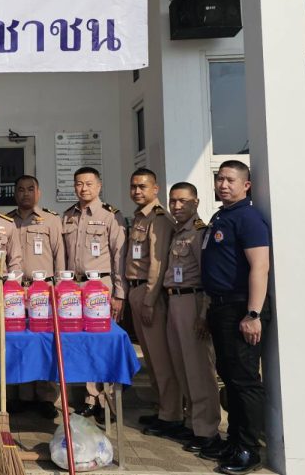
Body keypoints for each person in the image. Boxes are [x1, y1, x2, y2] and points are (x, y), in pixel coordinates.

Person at [198, 160, 271, 475]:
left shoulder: (248, 218)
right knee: (229, 376)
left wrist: (253, 313)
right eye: (219, 179)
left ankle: (249, 449)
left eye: (230, 180)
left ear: (246, 185)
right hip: (220, 307)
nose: (223, 185)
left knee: (244, 381)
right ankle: (234, 441)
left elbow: (260, 266)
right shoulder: (221, 216)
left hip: (241, 307)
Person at [62, 166, 126, 422]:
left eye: (89, 183)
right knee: (83, 343)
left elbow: (120, 256)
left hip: (100, 287)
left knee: (102, 343)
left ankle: (106, 400)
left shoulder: (111, 216)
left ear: (99, 186)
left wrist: (119, 293)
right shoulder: (68, 216)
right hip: (74, 288)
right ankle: (90, 397)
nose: (84, 188)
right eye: (79, 184)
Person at [163, 182, 222, 455]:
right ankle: (192, 423)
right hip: (174, 301)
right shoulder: (178, 232)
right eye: (173, 201)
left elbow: (208, 278)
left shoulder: (199, 233)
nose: (176, 206)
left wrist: (203, 314)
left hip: (192, 301)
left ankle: (207, 430)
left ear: (196, 202)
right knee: (182, 366)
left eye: (183, 201)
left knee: (199, 370)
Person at [125, 168, 185, 440]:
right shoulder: (141, 217)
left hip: (150, 294)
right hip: (137, 291)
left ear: (155, 189)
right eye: (134, 186)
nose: (137, 191)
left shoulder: (159, 219)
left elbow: (158, 266)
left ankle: (172, 415)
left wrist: (149, 301)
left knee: (161, 359)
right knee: (151, 356)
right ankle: (163, 408)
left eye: (143, 186)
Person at [11, 174, 63, 419]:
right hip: (15, 292)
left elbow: (60, 257)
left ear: (38, 193)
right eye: (21, 189)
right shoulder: (7, 221)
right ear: (15, 193)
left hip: (43, 291)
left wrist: (60, 290)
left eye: (30, 189)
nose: (25, 194)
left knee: (44, 343)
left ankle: (46, 396)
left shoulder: (51, 220)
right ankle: (22, 394)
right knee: (19, 342)